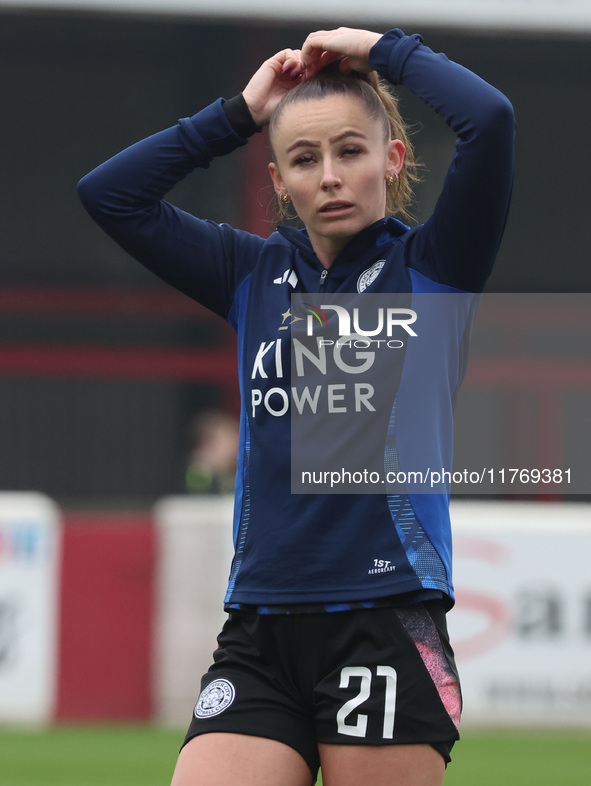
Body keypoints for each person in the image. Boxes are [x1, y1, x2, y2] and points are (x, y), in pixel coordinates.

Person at [78, 26, 515, 786]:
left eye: (350, 150)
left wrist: (381, 49)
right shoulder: (250, 270)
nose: (330, 177)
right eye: (304, 160)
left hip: (383, 619)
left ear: (392, 159)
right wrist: (237, 116)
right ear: (279, 180)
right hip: (260, 624)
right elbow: (110, 195)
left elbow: (490, 119)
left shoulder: (433, 268)